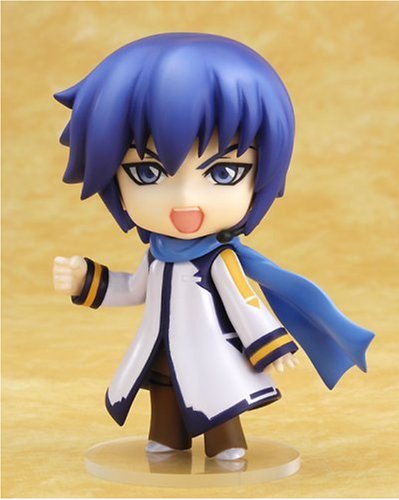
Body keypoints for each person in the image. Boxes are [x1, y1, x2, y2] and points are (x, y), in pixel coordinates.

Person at [52, 33, 374, 460]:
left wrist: (269, 345)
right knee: (164, 393)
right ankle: (168, 438)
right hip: (160, 349)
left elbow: (244, 301)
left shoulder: (219, 260)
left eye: (224, 173)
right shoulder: (158, 255)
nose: (186, 201)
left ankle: (226, 442)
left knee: (217, 397)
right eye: (147, 173)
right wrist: (86, 280)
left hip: (210, 352)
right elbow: (133, 289)